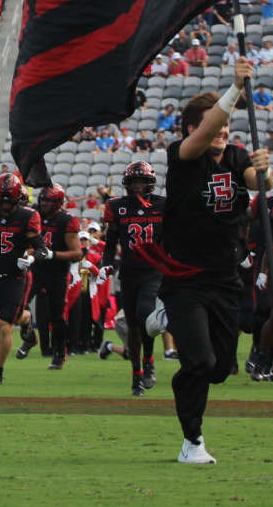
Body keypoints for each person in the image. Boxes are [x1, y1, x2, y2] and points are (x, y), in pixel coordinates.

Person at [150, 57, 269, 465]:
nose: (223, 131)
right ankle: (191, 441)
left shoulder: (235, 158)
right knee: (198, 362)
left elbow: (258, 185)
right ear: (193, 129)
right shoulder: (182, 155)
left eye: (227, 126)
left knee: (220, 369)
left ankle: (164, 319)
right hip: (185, 277)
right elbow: (206, 130)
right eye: (215, 125)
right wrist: (235, 89)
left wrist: (265, 171)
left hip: (225, 277)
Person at [0, 171, 50, 386]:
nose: (5, 205)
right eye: (2, 200)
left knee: (4, 326)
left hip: (13, 278)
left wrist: (30, 259)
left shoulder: (27, 216)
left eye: (10, 201)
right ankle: (23, 319)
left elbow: (41, 248)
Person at [100, 161, 166, 394]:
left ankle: (148, 360)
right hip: (128, 273)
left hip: (153, 271)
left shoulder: (163, 205)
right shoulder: (117, 206)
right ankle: (136, 373)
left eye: (142, 181)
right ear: (128, 184)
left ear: (150, 183)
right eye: (134, 182)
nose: (138, 186)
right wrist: (107, 265)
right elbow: (110, 244)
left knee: (144, 314)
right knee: (134, 326)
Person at [26, 184, 82, 371]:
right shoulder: (34, 213)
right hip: (35, 267)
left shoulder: (67, 220)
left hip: (56, 271)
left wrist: (51, 254)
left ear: (58, 202)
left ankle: (59, 352)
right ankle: (30, 336)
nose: (45, 204)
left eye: (49, 201)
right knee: (19, 303)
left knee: (56, 316)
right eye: (43, 200)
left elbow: (76, 254)